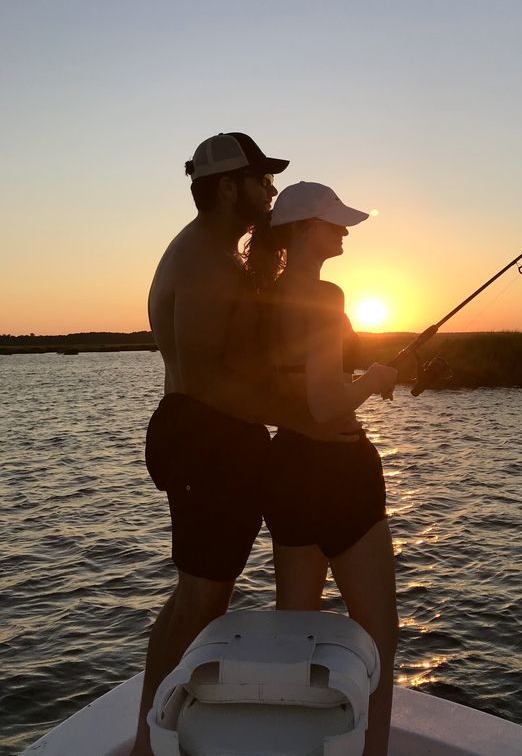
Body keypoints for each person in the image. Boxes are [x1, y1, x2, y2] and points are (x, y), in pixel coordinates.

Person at [131, 136, 360, 756]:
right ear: (229, 187)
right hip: (205, 440)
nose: (271, 192)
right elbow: (208, 382)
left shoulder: (213, 253)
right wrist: (304, 421)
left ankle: (148, 732)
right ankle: (147, 742)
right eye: (262, 181)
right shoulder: (204, 259)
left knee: (200, 590)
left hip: (215, 439)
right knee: (202, 593)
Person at [249, 181, 399, 756]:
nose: (342, 231)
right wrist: (374, 381)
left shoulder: (259, 296)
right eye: (334, 223)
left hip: (285, 471)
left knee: (297, 640)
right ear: (307, 230)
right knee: (377, 639)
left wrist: (345, 383)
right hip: (339, 475)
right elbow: (322, 405)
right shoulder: (325, 296)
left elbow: (290, 392)